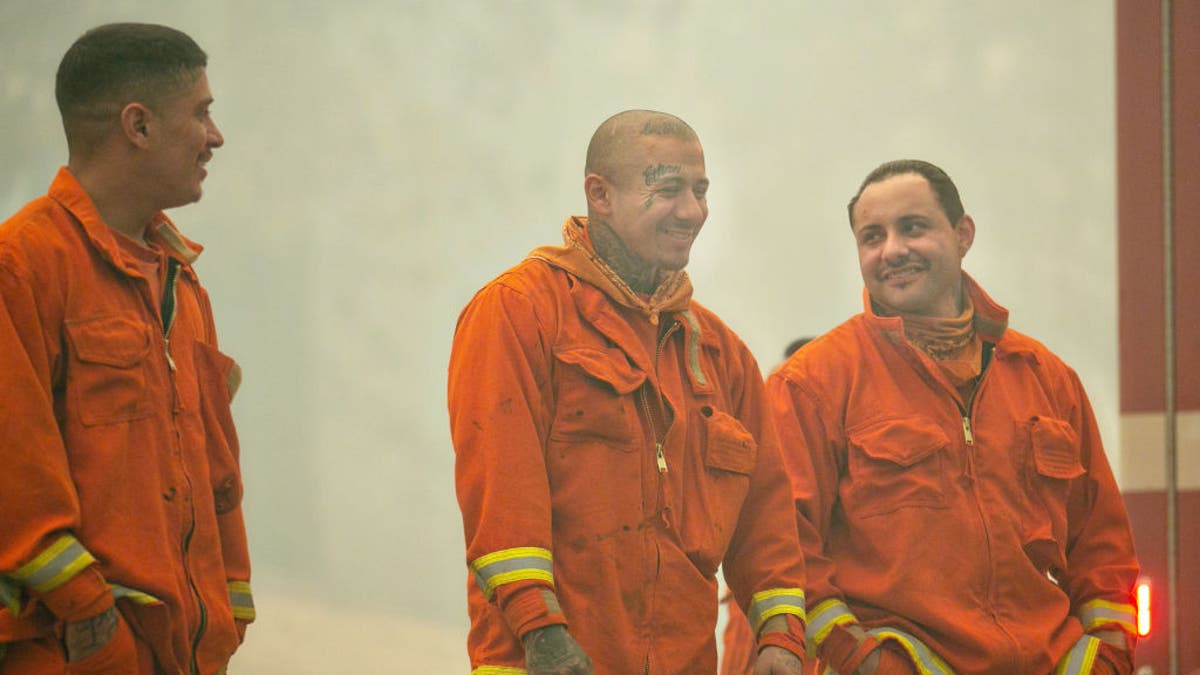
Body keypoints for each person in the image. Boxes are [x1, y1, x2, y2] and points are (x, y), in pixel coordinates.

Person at [726, 159, 1140, 674]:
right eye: (871, 237)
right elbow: (784, 549)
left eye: (913, 227)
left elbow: (1104, 552)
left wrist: (1107, 659)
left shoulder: (1048, 380)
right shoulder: (812, 384)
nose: (892, 250)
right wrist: (864, 660)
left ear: (962, 233)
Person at [448, 110, 809, 674]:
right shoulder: (519, 312)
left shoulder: (723, 356)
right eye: (668, 189)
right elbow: (501, 495)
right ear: (600, 194)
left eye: (700, 190)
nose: (691, 211)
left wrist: (781, 640)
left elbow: (766, 522)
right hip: (543, 661)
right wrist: (542, 632)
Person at [0, 23, 253, 674]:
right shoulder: (22, 266)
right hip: (71, 654)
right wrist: (92, 616)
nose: (215, 136)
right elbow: (14, 473)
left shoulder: (182, 284)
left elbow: (217, 472)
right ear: (137, 126)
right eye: (201, 113)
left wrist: (229, 610)